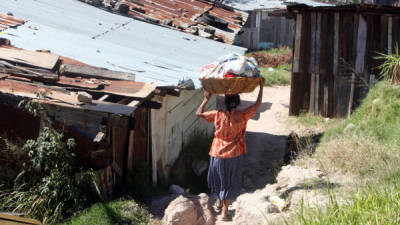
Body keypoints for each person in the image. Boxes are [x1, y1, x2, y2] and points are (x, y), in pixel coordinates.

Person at [196, 78, 264, 221]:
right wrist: (261, 86)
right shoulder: (242, 115)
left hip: (217, 153)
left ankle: (219, 202)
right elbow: (257, 105)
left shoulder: (217, 114)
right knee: (230, 181)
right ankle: (225, 213)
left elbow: (199, 113)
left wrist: (206, 99)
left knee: (220, 179)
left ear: (225, 102)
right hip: (234, 153)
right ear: (238, 103)